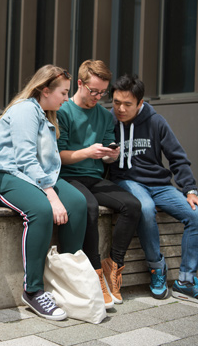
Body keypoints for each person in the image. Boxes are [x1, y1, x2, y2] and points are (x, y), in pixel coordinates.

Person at [0, 65, 87, 321]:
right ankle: (34, 290)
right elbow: (25, 159)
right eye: (63, 92)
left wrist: (53, 191)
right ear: (45, 90)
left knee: (78, 203)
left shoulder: (48, 113)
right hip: (1, 175)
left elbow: (41, 164)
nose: (67, 98)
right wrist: (51, 194)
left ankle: (66, 283)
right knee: (40, 209)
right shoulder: (26, 109)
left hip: (31, 177)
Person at [57, 60, 141, 309]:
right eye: (93, 91)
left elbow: (105, 150)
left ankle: (112, 265)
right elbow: (59, 156)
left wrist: (109, 155)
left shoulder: (105, 115)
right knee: (89, 207)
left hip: (94, 177)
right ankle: (94, 273)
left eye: (102, 92)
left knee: (132, 206)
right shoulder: (63, 111)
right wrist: (87, 152)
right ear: (80, 84)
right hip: (67, 177)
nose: (98, 97)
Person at [109, 74, 198, 302]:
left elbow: (177, 157)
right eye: (116, 102)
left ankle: (185, 280)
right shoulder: (108, 122)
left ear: (140, 103)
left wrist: (190, 189)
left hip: (159, 184)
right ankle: (157, 269)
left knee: (195, 215)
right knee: (145, 208)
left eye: (127, 104)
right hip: (127, 181)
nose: (120, 108)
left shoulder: (156, 121)